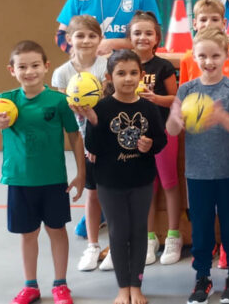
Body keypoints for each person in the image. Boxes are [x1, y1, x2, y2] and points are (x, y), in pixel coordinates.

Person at [0, 40, 85, 304]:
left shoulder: (59, 102)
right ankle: (31, 285)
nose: (29, 71)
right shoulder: (5, 101)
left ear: (46, 67)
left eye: (35, 65)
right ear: (11, 70)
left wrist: (81, 173)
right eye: (22, 66)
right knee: (28, 234)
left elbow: (75, 137)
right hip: (20, 180)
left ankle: (61, 284)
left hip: (53, 180)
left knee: (57, 230)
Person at [75, 50, 167, 304]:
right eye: (121, 73)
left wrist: (151, 144)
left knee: (138, 231)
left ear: (142, 75)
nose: (128, 79)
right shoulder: (101, 108)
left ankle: (136, 285)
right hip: (110, 182)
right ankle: (122, 287)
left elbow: (161, 139)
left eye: (133, 73)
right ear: (109, 77)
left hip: (141, 179)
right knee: (117, 232)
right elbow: (93, 148)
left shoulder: (148, 107)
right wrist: (92, 121)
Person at [167, 28, 229, 304]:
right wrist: (175, 119)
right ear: (194, 56)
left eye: (215, 55)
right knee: (201, 227)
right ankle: (202, 276)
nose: (209, 61)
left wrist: (221, 117)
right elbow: (172, 129)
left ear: (226, 56)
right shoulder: (186, 89)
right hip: (198, 173)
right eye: (202, 55)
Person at [50, 15, 110, 272]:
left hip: (110, 141)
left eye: (91, 35)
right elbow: (57, 111)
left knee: (114, 194)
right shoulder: (62, 73)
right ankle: (93, 245)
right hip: (85, 145)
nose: (86, 41)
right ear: (69, 40)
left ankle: (117, 246)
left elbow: (114, 102)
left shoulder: (107, 66)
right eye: (80, 36)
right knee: (93, 193)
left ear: (99, 39)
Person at [126, 11, 183, 265]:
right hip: (134, 136)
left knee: (169, 183)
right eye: (137, 33)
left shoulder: (163, 66)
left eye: (148, 33)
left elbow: (176, 99)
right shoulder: (124, 66)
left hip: (163, 132)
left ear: (157, 37)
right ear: (129, 37)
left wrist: (155, 99)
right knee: (146, 187)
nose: (142, 37)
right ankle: (148, 237)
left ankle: (173, 234)